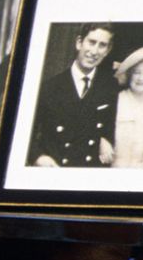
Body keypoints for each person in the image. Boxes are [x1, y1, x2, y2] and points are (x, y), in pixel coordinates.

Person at [28, 22, 117, 167]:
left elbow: (110, 125)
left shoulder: (109, 86)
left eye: (102, 45)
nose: (94, 51)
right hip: (55, 168)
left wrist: (105, 139)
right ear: (79, 43)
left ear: (107, 50)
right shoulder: (49, 87)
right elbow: (26, 132)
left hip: (89, 171)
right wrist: (39, 157)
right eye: (92, 42)